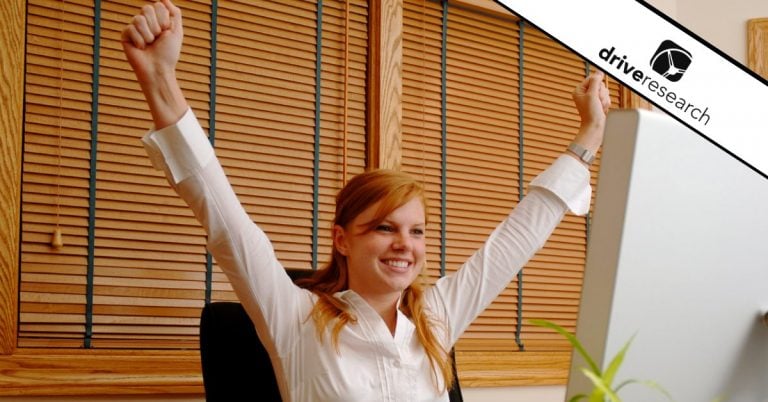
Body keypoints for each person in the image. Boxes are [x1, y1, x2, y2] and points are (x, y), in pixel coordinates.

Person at [121, 1, 611, 401]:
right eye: (384, 227)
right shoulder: (295, 318)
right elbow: (224, 217)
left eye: (416, 230)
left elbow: (516, 239)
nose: (405, 245)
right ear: (342, 239)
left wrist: (588, 134)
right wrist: (160, 79)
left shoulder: (436, 317)